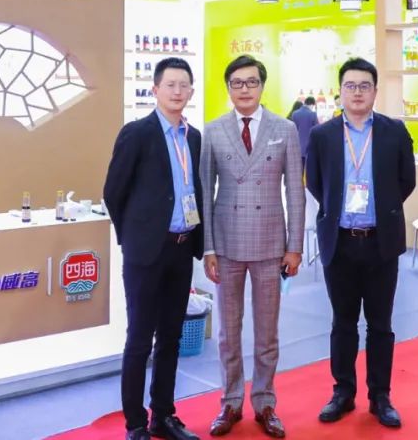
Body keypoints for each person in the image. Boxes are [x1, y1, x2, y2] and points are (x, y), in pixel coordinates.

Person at [304, 57, 416, 429]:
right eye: (350, 86)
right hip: (340, 242)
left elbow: (406, 180)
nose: (357, 92)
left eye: (364, 86)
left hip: (381, 242)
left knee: (381, 324)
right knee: (343, 323)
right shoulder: (322, 136)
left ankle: (380, 396)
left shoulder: (393, 131)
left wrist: (382, 209)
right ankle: (343, 392)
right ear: (340, 91)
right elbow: (315, 183)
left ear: (375, 91)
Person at [201, 55, 305, 438]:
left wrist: (295, 246)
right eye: (237, 83)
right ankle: (230, 402)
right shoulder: (213, 131)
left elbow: (295, 192)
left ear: (262, 86)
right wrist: (208, 248)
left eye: (251, 82)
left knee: (267, 332)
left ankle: (264, 402)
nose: (244, 89)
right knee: (228, 332)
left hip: (269, 243)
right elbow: (205, 192)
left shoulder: (285, 129)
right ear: (228, 88)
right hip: (226, 244)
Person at [103, 57, 204, 440]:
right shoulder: (137, 133)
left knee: (171, 337)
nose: (178, 91)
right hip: (146, 252)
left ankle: (163, 415)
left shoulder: (193, 137)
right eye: (170, 85)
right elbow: (113, 192)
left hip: (181, 248)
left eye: (184, 85)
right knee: (140, 339)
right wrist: (134, 236)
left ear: (191, 91)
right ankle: (135, 424)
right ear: (155, 89)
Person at [289, 96, 319, 165]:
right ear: (312, 105)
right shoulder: (313, 114)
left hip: (297, 147)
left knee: (299, 168)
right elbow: (317, 130)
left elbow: (292, 131)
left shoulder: (294, 114)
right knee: (309, 169)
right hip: (310, 147)